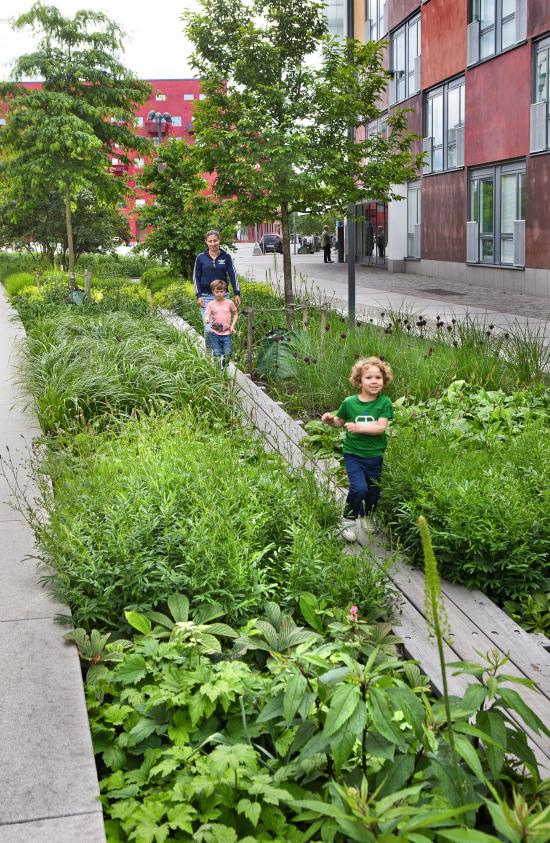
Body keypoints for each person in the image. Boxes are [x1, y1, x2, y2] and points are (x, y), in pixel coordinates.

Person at [321, 356, 394, 542]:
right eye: (368, 377)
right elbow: (340, 421)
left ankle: (368, 516)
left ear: (384, 381)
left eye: (378, 378)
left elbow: (380, 427)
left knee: (373, 491)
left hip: (375, 455)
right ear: (359, 381)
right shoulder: (350, 402)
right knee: (359, 488)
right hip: (353, 454)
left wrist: (359, 427)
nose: (374, 381)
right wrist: (331, 421)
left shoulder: (384, 403)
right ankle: (349, 518)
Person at [193, 230, 241, 351]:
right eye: (210, 241)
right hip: (206, 298)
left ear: (219, 240)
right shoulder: (200, 258)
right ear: (206, 242)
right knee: (209, 329)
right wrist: (198, 295)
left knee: (222, 327)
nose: (213, 243)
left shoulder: (226, 257)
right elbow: (196, 278)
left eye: (215, 240)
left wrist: (237, 293)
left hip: (223, 298)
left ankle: (221, 353)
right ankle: (209, 354)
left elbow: (233, 275)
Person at [204, 280, 238, 366]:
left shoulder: (229, 303)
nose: (219, 293)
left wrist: (232, 326)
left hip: (227, 333)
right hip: (215, 333)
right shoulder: (211, 304)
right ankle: (218, 372)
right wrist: (207, 318)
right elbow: (207, 314)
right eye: (217, 291)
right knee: (217, 354)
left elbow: (235, 314)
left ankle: (224, 365)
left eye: (221, 291)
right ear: (213, 292)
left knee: (228, 354)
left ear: (225, 291)